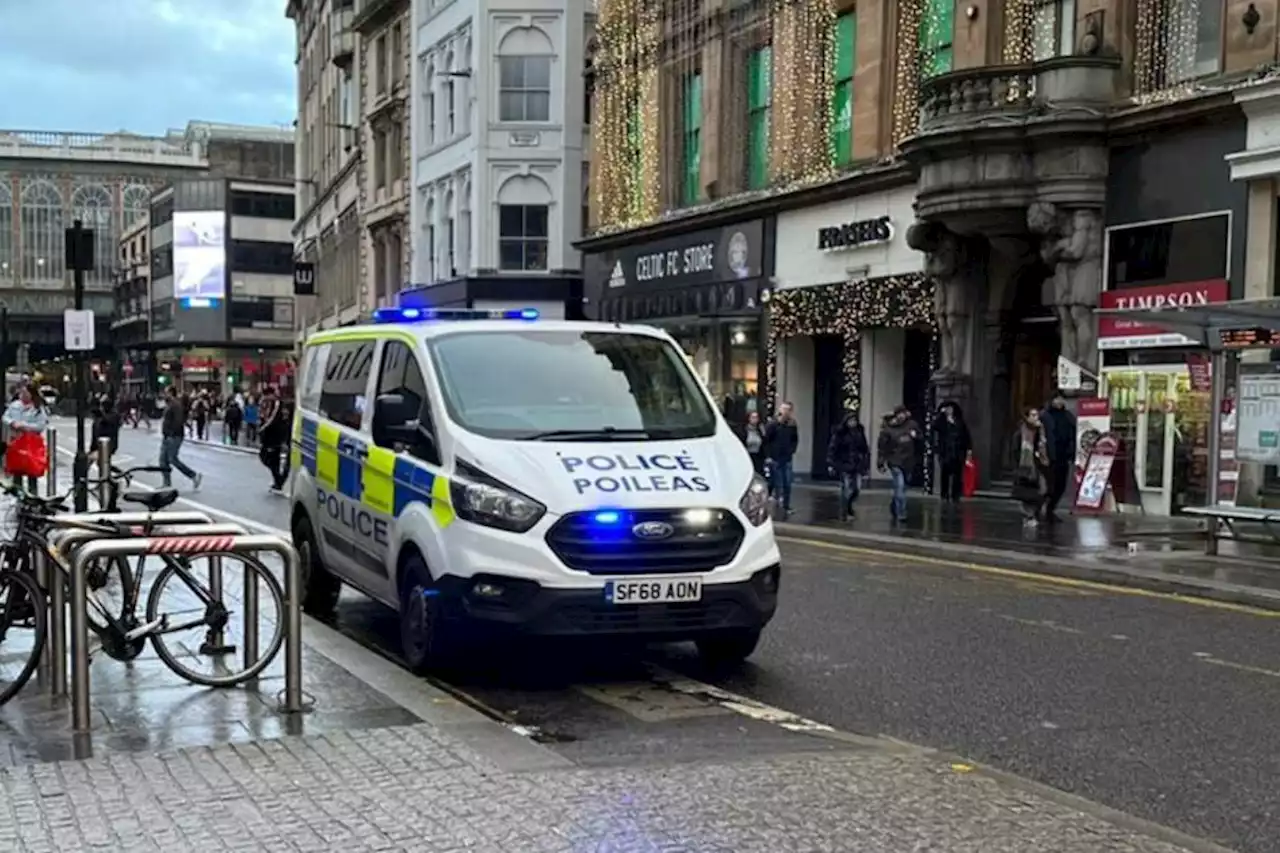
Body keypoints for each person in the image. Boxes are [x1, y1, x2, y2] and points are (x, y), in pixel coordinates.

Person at [877, 405, 920, 523]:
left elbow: (920, 439)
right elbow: (882, 448)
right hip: (895, 461)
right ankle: (901, 513)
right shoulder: (888, 429)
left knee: (902, 488)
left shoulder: (912, 425)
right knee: (900, 487)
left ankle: (894, 506)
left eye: (903, 413)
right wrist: (881, 462)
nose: (902, 416)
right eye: (899, 414)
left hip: (909, 461)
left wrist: (915, 436)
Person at [3, 384, 49, 494]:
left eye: (25, 392)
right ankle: (17, 496)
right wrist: (12, 423)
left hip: (31, 443)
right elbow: (5, 417)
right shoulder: (15, 405)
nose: (22, 395)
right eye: (21, 392)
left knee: (31, 470)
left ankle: (32, 495)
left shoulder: (38, 408)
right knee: (17, 469)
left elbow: (40, 425)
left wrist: (24, 426)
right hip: (16, 441)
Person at [1040, 390, 1077, 522]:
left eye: (1061, 399)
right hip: (1050, 456)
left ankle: (1051, 508)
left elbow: (1074, 434)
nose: (1060, 402)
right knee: (1051, 485)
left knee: (1061, 485)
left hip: (1063, 455)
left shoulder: (1068, 416)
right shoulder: (1045, 416)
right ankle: (1042, 507)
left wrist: (1072, 452)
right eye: (1057, 399)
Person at [826, 411, 870, 521]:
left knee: (856, 489)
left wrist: (865, 463)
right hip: (844, 464)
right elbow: (833, 448)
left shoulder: (859, 432)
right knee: (846, 489)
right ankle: (844, 512)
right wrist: (831, 463)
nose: (853, 423)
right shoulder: (840, 433)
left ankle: (849, 506)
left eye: (854, 421)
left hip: (857, 464)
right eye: (850, 421)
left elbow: (864, 448)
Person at [1010, 407, 1050, 526]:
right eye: (1032, 415)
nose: (1035, 418)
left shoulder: (1040, 431)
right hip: (1026, 466)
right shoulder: (1020, 433)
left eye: (1036, 415)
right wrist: (1017, 466)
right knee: (1027, 493)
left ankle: (1032, 515)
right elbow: (1016, 450)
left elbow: (1043, 446)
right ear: (1027, 417)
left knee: (1042, 491)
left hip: (1038, 465)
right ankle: (1029, 516)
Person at [159, 385, 202, 491]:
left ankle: (193, 475)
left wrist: (172, 433)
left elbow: (178, 421)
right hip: (167, 435)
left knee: (172, 459)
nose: (164, 394)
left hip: (174, 436)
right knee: (162, 460)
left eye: (166, 392)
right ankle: (166, 483)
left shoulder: (176, 405)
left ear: (171, 393)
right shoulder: (169, 404)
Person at [764, 402, 799, 515]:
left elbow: (795, 438)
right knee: (776, 481)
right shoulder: (773, 424)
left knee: (787, 483)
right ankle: (775, 500)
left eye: (788, 409)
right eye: (784, 409)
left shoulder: (792, 424)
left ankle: (786, 505)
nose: (785, 412)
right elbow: (767, 440)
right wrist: (768, 455)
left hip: (787, 457)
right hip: (775, 457)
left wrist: (792, 449)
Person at [933, 401, 972, 504]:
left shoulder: (959, 422)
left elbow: (966, 436)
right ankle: (944, 494)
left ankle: (955, 494)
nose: (949, 410)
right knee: (945, 473)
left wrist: (968, 450)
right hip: (945, 451)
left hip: (957, 451)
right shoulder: (942, 422)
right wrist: (940, 414)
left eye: (950, 408)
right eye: (947, 409)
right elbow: (935, 426)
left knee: (957, 474)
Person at [258, 385, 289, 494]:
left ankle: (279, 481)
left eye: (267, 395)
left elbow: (273, 420)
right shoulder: (267, 404)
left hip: (274, 437)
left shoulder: (277, 404)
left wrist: (263, 428)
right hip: (269, 437)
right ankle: (278, 480)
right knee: (266, 458)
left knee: (271, 459)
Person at [741, 411, 766, 475]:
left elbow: (764, 443)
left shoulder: (760, 430)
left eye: (756, 417)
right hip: (748, 455)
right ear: (749, 418)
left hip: (758, 456)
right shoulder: (744, 430)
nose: (755, 419)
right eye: (753, 417)